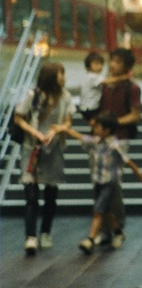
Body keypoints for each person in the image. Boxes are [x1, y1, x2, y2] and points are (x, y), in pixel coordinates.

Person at [57, 113, 142, 254]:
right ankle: (118, 232)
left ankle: (90, 239)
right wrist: (64, 130)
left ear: (107, 130)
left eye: (98, 127)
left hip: (109, 182)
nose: (94, 128)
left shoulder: (113, 145)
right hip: (98, 181)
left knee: (98, 211)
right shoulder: (96, 141)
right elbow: (81, 137)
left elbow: (126, 160)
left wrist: (138, 173)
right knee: (107, 211)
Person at [13, 63, 74, 255]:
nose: (63, 78)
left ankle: (45, 232)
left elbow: (68, 121)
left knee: (51, 194)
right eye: (60, 74)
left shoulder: (65, 96)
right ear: (50, 76)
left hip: (53, 148)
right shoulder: (34, 95)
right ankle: (30, 236)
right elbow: (18, 117)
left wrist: (56, 130)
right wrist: (36, 133)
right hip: (32, 148)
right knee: (31, 194)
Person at [95, 47, 142, 246]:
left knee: (113, 186)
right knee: (99, 186)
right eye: (111, 60)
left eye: (118, 62)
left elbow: (135, 115)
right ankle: (105, 231)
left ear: (126, 67)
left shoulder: (132, 88)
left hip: (119, 139)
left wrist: (113, 124)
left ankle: (118, 227)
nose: (112, 65)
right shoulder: (103, 86)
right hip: (99, 141)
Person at [79, 51, 105, 122]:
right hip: (90, 107)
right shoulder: (92, 76)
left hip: (87, 107)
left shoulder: (94, 76)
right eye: (96, 64)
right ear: (88, 66)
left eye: (101, 64)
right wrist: (122, 77)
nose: (99, 66)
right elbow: (107, 82)